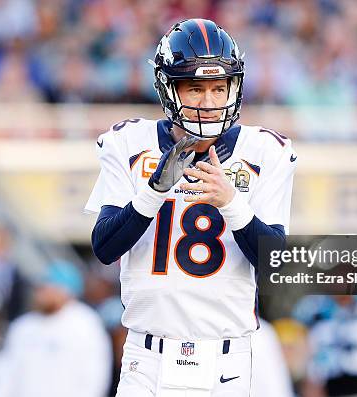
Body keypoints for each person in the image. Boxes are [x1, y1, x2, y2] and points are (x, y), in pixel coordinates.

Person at [86, 18, 296, 397]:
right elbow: (104, 247)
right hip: (146, 357)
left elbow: (276, 262)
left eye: (219, 88)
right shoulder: (129, 143)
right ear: (168, 90)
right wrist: (154, 191)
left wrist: (231, 204)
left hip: (225, 360)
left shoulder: (266, 151)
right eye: (195, 88)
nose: (209, 102)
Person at [0, 260, 112, 397]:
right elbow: (4, 374)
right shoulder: (23, 326)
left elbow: (95, 377)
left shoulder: (86, 324)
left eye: (46, 287)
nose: (40, 293)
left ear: (65, 290)